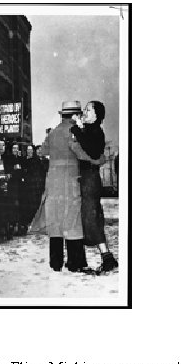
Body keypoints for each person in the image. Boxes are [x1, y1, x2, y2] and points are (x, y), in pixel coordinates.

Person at [30, 100, 90, 273]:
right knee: (73, 220)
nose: (80, 117)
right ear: (74, 116)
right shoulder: (76, 132)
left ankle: (56, 263)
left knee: (55, 221)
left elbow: (42, 151)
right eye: (79, 114)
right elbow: (82, 154)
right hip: (71, 182)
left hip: (53, 183)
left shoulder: (53, 132)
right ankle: (75, 262)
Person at [70, 101, 119, 272]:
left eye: (88, 109)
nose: (84, 111)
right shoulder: (91, 130)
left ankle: (107, 257)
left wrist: (77, 128)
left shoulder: (96, 130)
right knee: (91, 217)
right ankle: (107, 257)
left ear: (96, 114)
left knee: (91, 218)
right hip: (87, 178)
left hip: (89, 179)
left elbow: (92, 150)